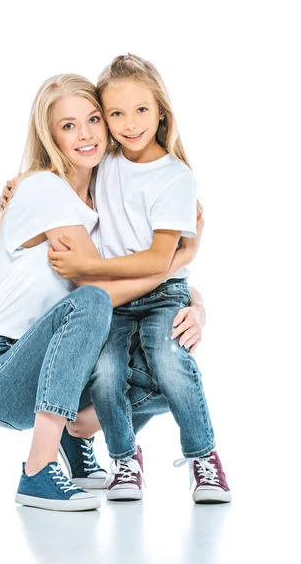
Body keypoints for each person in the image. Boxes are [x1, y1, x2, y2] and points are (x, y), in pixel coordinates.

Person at [0, 73, 202, 512]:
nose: (86, 133)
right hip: (3, 370)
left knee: (173, 372)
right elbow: (100, 290)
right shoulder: (43, 189)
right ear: (49, 135)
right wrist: (179, 260)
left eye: (93, 119)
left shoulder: (104, 201)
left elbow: (132, 281)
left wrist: (196, 303)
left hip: (52, 367)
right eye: (68, 125)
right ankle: (38, 469)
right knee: (92, 302)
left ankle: (78, 435)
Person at [49, 54, 231, 504]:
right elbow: (59, 179)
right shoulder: (104, 161)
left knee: (169, 361)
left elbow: (156, 261)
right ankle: (125, 460)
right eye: (115, 113)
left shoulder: (174, 177)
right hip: (111, 299)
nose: (130, 124)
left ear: (162, 111)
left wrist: (87, 269)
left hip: (161, 292)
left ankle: (204, 458)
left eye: (142, 110)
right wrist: (20, 186)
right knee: (108, 374)